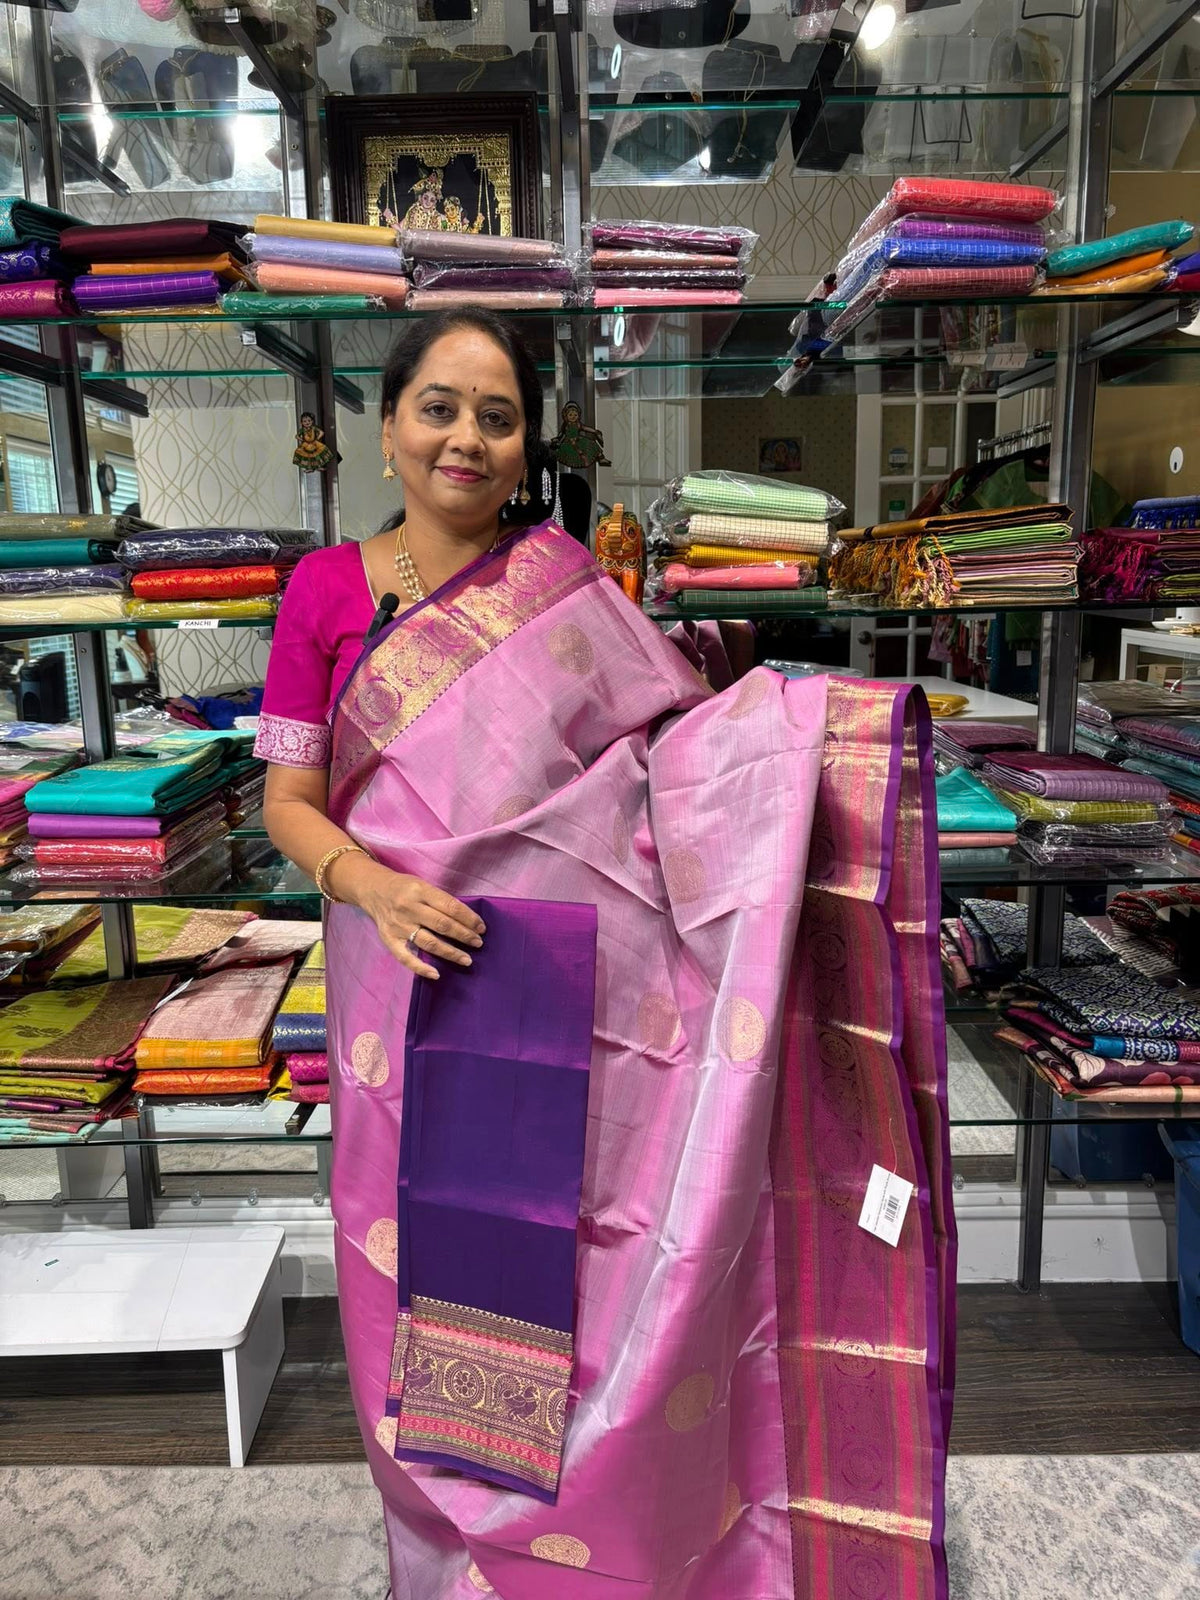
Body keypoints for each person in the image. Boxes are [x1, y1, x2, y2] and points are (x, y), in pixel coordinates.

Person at [257, 310, 953, 1599]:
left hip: (553, 990)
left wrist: (807, 745)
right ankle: (448, 1559)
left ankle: (577, 1554)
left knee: (556, 1266)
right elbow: (290, 804)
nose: (468, 437)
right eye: (441, 407)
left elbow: (661, 764)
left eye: (498, 415)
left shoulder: (567, 585)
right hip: (396, 983)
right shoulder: (325, 592)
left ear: (529, 444)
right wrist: (375, 887)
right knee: (407, 1266)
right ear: (389, 422)